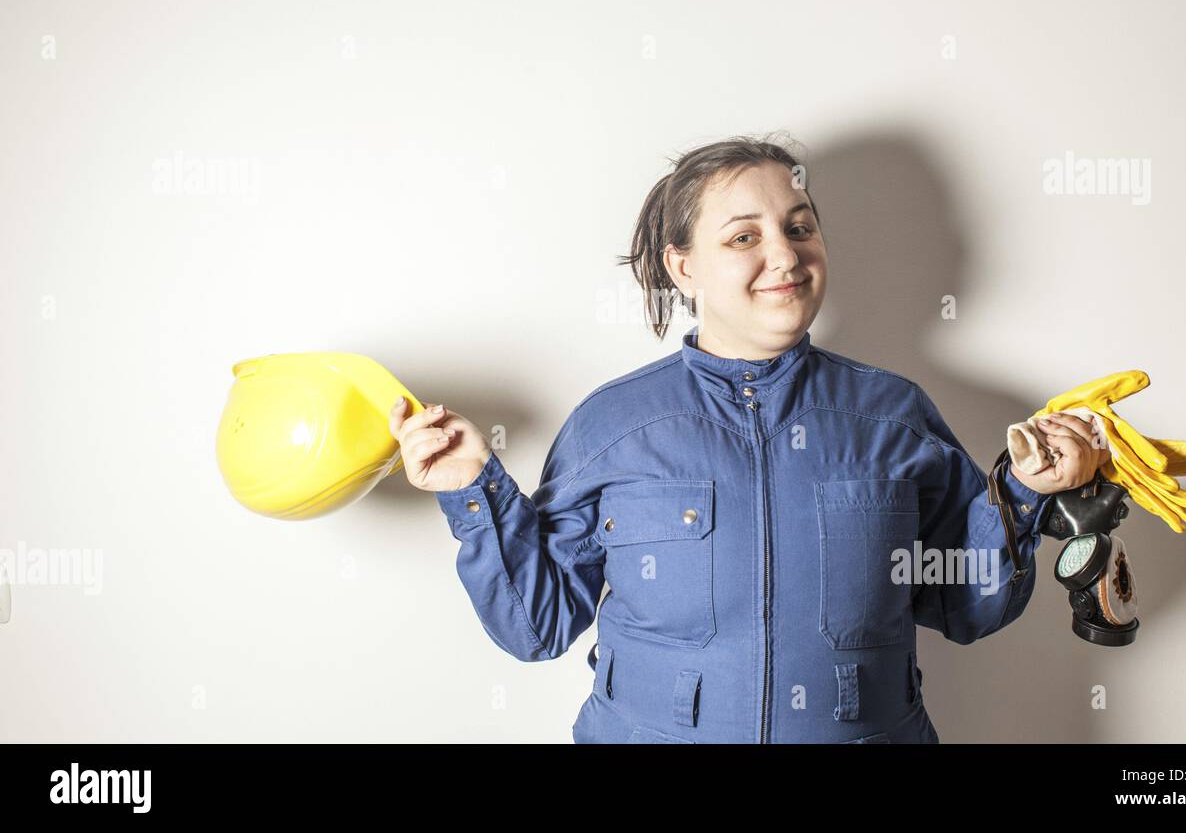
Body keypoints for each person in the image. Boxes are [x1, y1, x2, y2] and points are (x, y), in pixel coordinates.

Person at [389, 134, 1109, 743]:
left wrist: (1023, 494)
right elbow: (535, 626)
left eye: (800, 227)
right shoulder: (615, 425)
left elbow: (968, 606)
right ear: (684, 267)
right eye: (744, 237)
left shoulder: (894, 415)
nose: (786, 256)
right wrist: (472, 492)